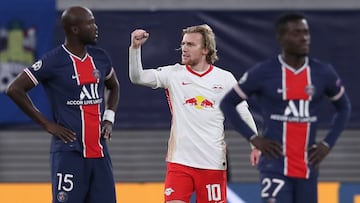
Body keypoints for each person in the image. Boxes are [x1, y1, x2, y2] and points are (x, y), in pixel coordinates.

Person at [220, 13, 351, 203]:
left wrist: (327, 144)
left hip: (307, 167)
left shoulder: (323, 72)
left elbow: (344, 107)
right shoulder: (264, 72)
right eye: (297, 33)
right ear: (281, 38)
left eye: (306, 32)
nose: (304, 38)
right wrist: (254, 139)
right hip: (274, 166)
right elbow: (228, 103)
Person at [129, 24, 260, 203]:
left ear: (206, 49)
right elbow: (138, 78)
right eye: (183, 43)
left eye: (190, 44)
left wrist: (255, 144)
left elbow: (243, 113)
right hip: (180, 162)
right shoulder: (173, 74)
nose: (184, 48)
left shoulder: (225, 79)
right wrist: (135, 49)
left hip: (212, 164)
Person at [6, 6, 120, 203]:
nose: (95, 27)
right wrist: (46, 124)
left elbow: (114, 86)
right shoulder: (53, 61)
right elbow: (15, 89)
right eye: (90, 23)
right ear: (75, 29)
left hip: (99, 153)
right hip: (69, 153)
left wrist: (108, 119)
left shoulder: (100, 58)